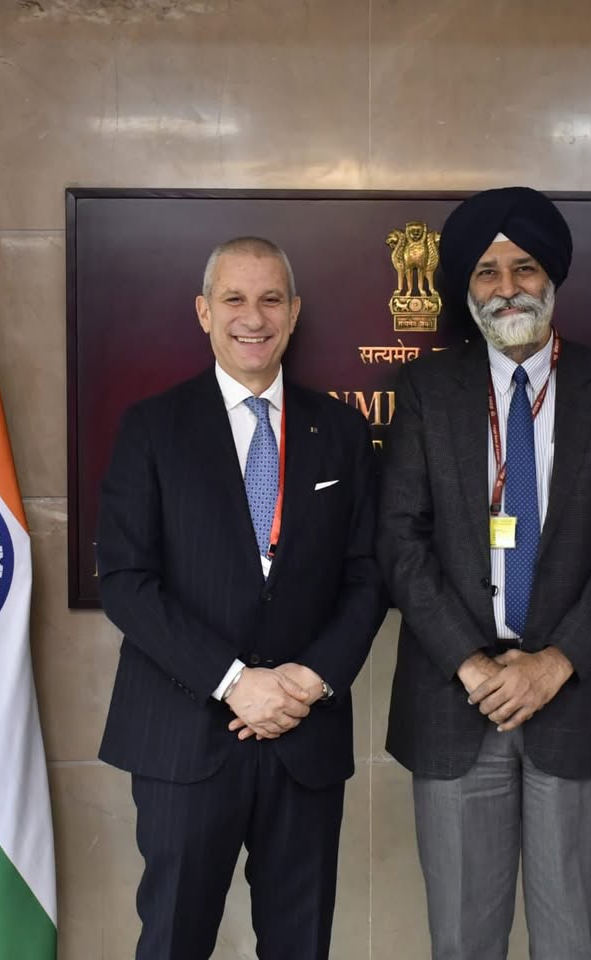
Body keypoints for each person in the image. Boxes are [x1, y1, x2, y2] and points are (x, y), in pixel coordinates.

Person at [378, 187, 591, 959]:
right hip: (454, 703)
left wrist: (554, 664)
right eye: (486, 272)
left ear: (552, 276)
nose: (507, 288)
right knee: (462, 942)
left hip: (574, 701)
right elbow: (400, 541)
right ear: (467, 289)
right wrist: (473, 666)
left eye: (524, 267)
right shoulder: (426, 391)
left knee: (571, 941)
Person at [96, 236, 387, 960]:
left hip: (304, 737)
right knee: (174, 942)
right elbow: (126, 580)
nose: (252, 318)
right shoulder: (151, 428)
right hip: (183, 738)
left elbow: (369, 573)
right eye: (233, 299)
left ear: (294, 312)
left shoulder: (341, 432)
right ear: (204, 312)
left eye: (269, 299)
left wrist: (311, 680)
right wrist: (234, 682)